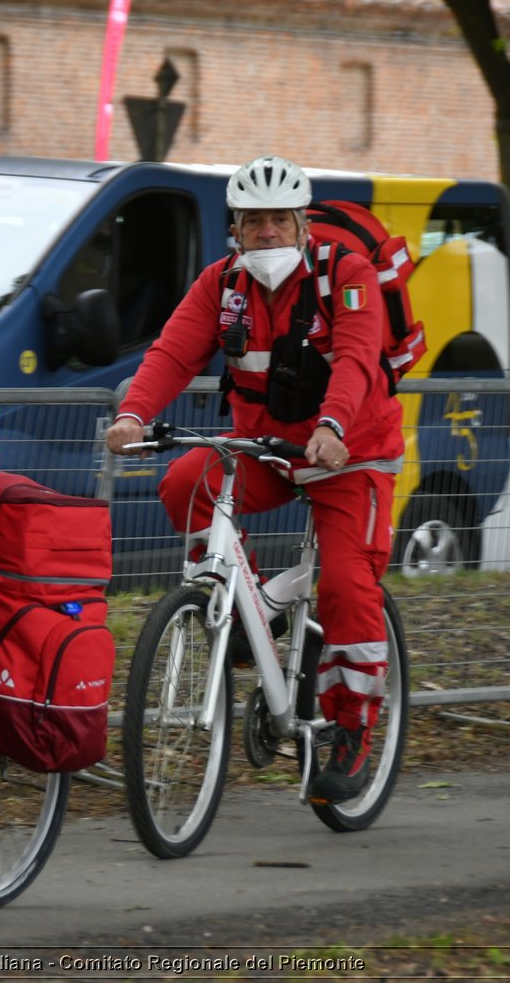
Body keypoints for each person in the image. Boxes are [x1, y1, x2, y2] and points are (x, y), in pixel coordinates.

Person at [104, 155, 403, 804]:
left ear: (301, 223)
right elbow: (173, 352)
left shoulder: (344, 275)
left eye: (278, 219)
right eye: (252, 221)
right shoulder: (222, 284)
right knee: (185, 481)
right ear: (234, 229)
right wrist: (133, 415)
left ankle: (352, 729)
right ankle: (235, 606)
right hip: (262, 448)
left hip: (351, 453)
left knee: (349, 586)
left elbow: (355, 358)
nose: (266, 232)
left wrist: (334, 425)